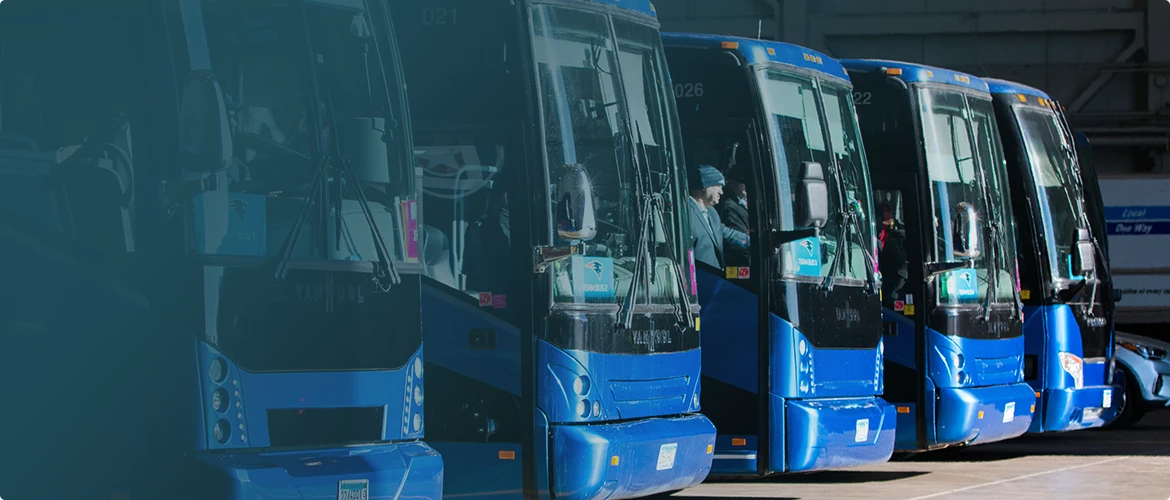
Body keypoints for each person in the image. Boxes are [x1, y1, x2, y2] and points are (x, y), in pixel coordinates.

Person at [687, 165, 748, 269]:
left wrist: (758, 243)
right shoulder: (687, 213)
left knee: (750, 276)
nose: (721, 192)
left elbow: (728, 233)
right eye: (718, 186)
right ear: (704, 185)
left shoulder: (711, 211)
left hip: (722, 273)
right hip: (706, 278)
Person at [716, 175, 751, 267]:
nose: (745, 186)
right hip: (733, 265)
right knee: (748, 277)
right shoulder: (729, 205)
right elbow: (739, 236)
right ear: (731, 183)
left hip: (743, 261)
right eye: (741, 183)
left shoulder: (743, 202)